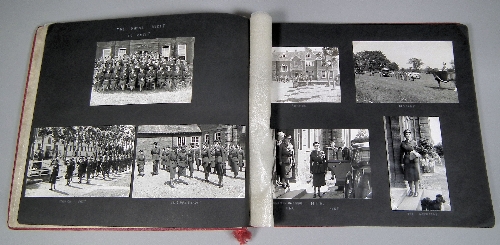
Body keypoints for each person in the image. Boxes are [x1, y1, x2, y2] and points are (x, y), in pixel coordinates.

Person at [401, 129, 421, 197]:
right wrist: (401, 162)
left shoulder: (414, 142)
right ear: (404, 135)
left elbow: (418, 151)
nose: (408, 135)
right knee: (409, 177)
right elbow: (401, 153)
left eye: (409, 134)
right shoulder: (403, 143)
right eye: (406, 134)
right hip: (407, 160)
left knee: (416, 177)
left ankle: (416, 192)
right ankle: (412, 191)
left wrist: (416, 152)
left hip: (414, 160)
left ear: (410, 135)